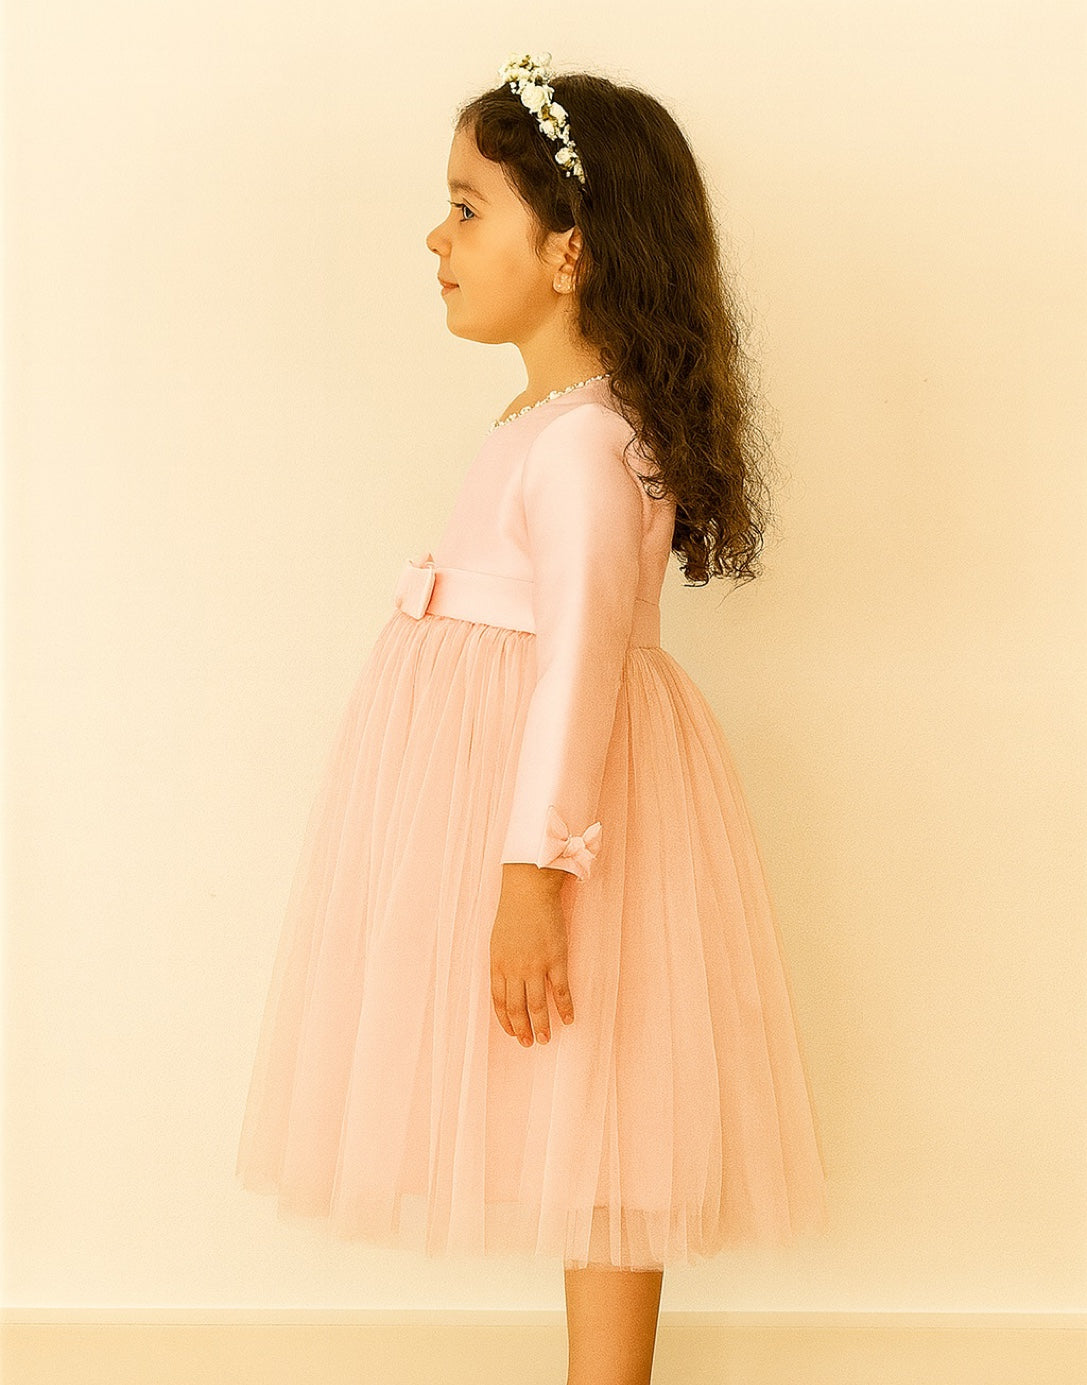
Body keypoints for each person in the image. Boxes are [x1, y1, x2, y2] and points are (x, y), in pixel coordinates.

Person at [235, 51, 828, 1385]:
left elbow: (577, 662)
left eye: (465, 207)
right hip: (516, 791)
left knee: (608, 1094)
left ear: (567, 249)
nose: (435, 238)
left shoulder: (583, 445)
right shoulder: (552, 419)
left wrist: (531, 869)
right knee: (590, 1103)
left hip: (561, 806)